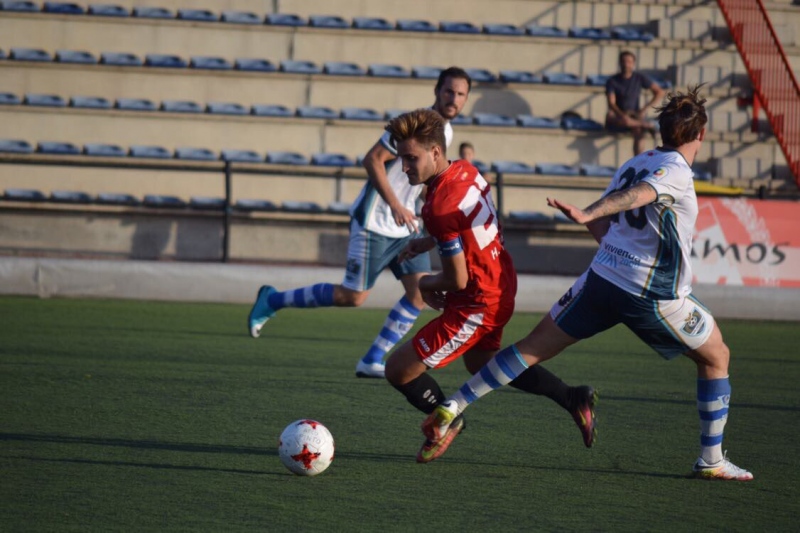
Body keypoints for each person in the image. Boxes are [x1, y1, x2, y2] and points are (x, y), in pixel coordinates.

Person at [423, 86, 754, 481]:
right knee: (717, 357)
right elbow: (637, 196)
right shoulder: (676, 171)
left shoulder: (637, 160)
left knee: (529, 348)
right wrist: (588, 211)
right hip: (649, 293)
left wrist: (597, 225)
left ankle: (453, 405)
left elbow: (608, 226)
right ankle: (711, 461)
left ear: (661, 131)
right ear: (701, 135)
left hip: (600, 278)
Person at [382, 108, 597, 463]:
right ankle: (573, 398)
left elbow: (456, 278)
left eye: (410, 158)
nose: (404, 168)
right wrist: (428, 242)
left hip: (477, 301)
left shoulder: (437, 206)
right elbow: (464, 224)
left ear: (435, 152)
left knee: (399, 368)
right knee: (482, 363)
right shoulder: (466, 170)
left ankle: (448, 421)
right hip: (501, 280)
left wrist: (425, 284)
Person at [248, 67, 472, 379]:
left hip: (407, 225)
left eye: (461, 94)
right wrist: (395, 204)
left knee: (417, 292)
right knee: (353, 296)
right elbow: (372, 159)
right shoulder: (413, 123)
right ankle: (272, 299)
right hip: (376, 220)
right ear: (437, 91)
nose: (454, 99)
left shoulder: (444, 132)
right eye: (449, 91)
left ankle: (374, 358)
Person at [605, 50, 665, 156]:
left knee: (639, 132)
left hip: (633, 116)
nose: (626, 64)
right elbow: (611, 104)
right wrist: (622, 115)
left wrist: (644, 109)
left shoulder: (639, 78)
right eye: (624, 61)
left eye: (629, 62)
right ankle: (648, 124)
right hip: (618, 116)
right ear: (620, 63)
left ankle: (638, 160)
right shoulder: (612, 81)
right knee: (611, 116)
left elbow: (659, 92)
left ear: (633, 63)